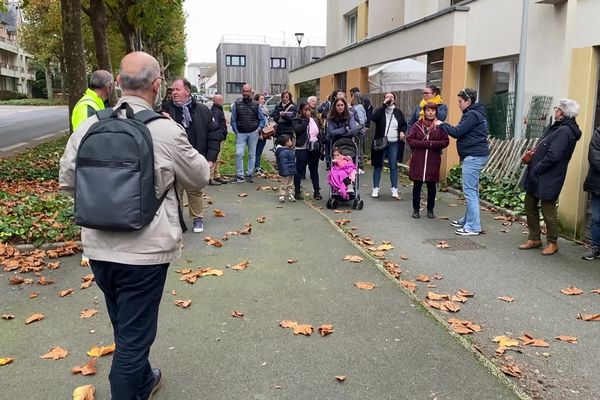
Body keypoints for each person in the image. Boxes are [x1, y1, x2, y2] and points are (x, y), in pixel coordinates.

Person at [59, 51, 210, 400]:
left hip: (98, 248)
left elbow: (68, 180)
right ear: (157, 86)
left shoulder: (89, 125)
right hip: (145, 252)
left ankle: (143, 380)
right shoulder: (165, 131)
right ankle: (131, 385)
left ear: (118, 83)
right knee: (133, 341)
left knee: (125, 325)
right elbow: (199, 177)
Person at [520, 98, 581, 255]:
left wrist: (537, 168)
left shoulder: (565, 131)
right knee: (530, 202)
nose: (555, 110)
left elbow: (554, 155)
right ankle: (534, 237)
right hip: (541, 173)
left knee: (548, 209)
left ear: (562, 112)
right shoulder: (559, 127)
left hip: (550, 175)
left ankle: (553, 242)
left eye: (558, 108)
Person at [162, 78, 220, 233]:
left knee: (194, 191)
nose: (174, 93)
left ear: (187, 91)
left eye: (177, 90)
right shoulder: (166, 110)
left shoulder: (202, 110)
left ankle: (197, 218)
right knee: (175, 192)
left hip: (195, 158)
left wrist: (210, 159)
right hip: (173, 160)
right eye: (172, 90)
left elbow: (214, 134)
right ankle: (176, 221)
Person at [436, 88, 490, 236]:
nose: (458, 104)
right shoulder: (474, 113)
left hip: (473, 156)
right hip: (476, 155)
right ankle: (468, 220)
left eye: (460, 101)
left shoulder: (472, 115)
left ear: (468, 101)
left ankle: (473, 227)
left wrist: (441, 124)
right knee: (473, 191)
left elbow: (457, 132)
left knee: (470, 192)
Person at [406, 102, 449, 219]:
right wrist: (423, 144)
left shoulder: (440, 126)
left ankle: (430, 209)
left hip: (432, 160)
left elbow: (445, 142)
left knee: (431, 186)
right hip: (418, 160)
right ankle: (415, 210)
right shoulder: (417, 125)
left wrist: (431, 144)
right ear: (424, 112)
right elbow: (410, 139)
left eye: (433, 110)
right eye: (428, 110)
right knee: (417, 186)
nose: (430, 112)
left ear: (436, 112)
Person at [370, 92, 407, 199]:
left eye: (391, 97)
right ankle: (375, 188)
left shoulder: (398, 112)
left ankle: (394, 189)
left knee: (393, 165)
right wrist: (383, 105)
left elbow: (404, 124)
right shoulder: (380, 111)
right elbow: (373, 118)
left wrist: (402, 131)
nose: (389, 98)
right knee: (378, 165)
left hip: (393, 142)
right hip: (381, 142)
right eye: (387, 97)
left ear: (394, 100)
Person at [231, 84, 267, 183]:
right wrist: (236, 131)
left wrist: (258, 129)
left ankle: (250, 174)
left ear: (251, 92)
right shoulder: (236, 104)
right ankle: (239, 175)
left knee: (252, 154)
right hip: (241, 133)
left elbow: (262, 120)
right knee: (239, 154)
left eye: (248, 91)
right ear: (242, 92)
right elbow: (233, 120)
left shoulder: (256, 105)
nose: (246, 93)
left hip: (253, 133)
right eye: (244, 91)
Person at [292, 102, 322, 200]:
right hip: (302, 148)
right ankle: (297, 191)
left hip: (314, 148)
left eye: (309, 110)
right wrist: (306, 120)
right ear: (300, 111)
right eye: (305, 110)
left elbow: (318, 133)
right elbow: (298, 130)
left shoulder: (315, 120)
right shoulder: (297, 120)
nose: (308, 112)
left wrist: (321, 147)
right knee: (299, 169)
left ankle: (316, 191)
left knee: (314, 170)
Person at [582, 125, 600, 260]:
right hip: (598, 184)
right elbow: (594, 158)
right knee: (597, 218)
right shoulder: (598, 133)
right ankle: (595, 247)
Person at [325, 97, 358, 169]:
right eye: (338, 105)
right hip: (335, 142)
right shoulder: (330, 117)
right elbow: (331, 132)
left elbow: (353, 131)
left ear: (345, 106)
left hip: (348, 142)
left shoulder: (350, 115)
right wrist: (345, 129)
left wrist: (338, 132)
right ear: (335, 107)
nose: (340, 107)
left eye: (342, 105)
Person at [210, 94, 229, 185]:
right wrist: (221, 133)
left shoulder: (218, 110)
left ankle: (216, 175)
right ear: (216, 101)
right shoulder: (215, 112)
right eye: (221, 100)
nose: (223, 101)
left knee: (218, 157)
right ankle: (210, 177)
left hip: (218, 137)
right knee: (215, 157)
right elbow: (215, 125)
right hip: (216, 138)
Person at [275, 134, 297, 202]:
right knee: (285, 183)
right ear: (286, 143)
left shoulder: (289, 151)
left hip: (290, 169)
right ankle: (282, 195)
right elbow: (282, 163)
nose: (291, 142)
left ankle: (290, 194)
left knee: (290, 183)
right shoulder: (284, 152)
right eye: (290, 140)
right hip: (287, 170)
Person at [254, 93, 270, 175]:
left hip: (265, 132)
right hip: (259, 133)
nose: (263, 100)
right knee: (257, 151)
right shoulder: (257, 109)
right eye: (261, 99)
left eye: (264, 99)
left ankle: (258, 165)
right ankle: (256, 167)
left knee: (259, 151)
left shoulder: (264, 109)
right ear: (257, 100)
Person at [350, 91, 367, 170]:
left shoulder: (358, 107)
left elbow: (362, 121)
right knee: (358, 148)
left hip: (359, 132)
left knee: (358, 149)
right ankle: (359, 165)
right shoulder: (360, 106)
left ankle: (360, 166)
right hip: (360, 131)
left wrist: (356, 129)